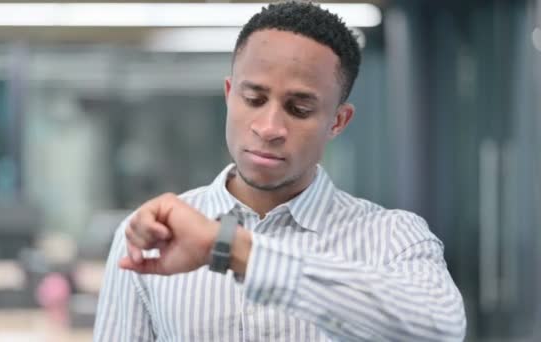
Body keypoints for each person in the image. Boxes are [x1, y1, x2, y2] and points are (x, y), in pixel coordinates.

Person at [93, 2, 466, 341]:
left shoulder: (392, 238)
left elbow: (441, 327)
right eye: (253, 99)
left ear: (338, 121)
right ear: (228, 94)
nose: (269, 126)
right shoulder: (151, 237)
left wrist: (230, 248)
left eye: (299, 108)